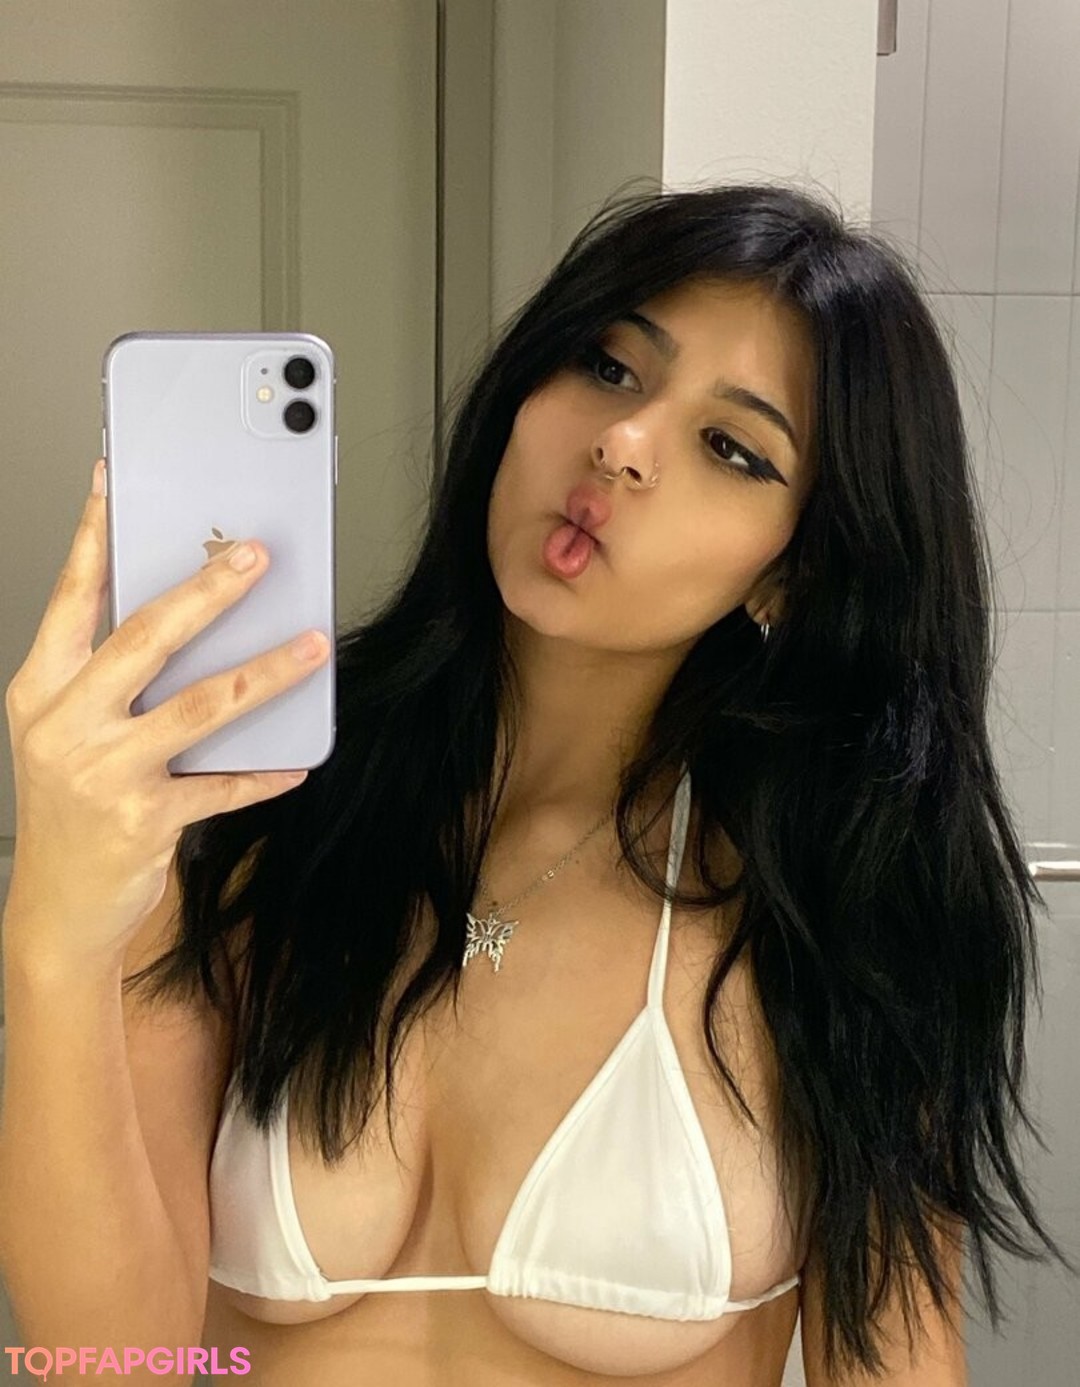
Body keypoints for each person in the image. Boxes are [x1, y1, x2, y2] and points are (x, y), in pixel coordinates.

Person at [1, 182, 1074, 1387]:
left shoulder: (838, 901)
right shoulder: (255, 807)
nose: (624, 443)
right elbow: (111, 1359)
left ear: (797, 572)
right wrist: (54, 929)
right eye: (610, 368)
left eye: (731, 448)